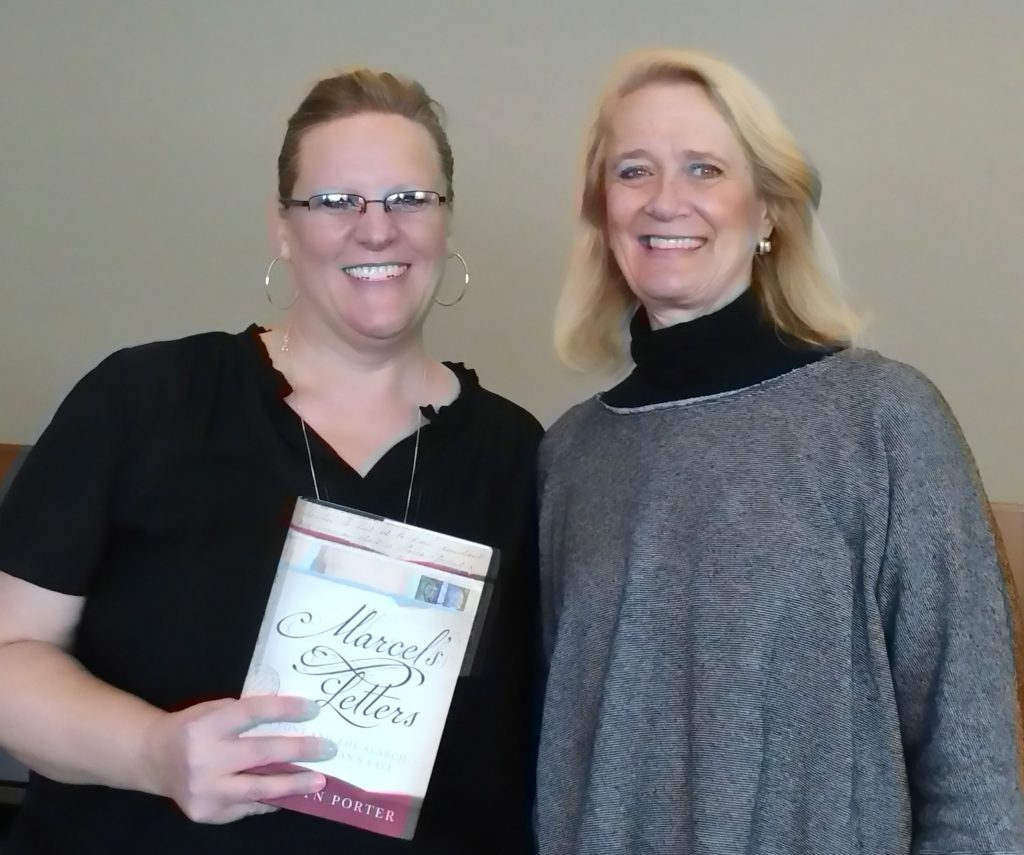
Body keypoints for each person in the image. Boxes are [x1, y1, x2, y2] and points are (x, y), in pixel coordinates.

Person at [0, 68, 541, 854]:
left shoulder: (523, 458)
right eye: (334, 201)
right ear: (281, 227)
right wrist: (153, 750)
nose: (376, 228)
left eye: (407, 198)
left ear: (445, 222)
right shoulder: (145, 401)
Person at [535, 48, 1024, 855]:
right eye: (633, 171)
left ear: (767, 209)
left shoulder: (882, 419)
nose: (666, 201)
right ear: (601, 211)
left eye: (703, 168)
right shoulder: (570, 458)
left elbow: (971, 754)